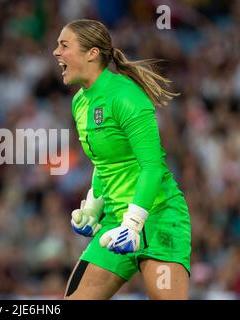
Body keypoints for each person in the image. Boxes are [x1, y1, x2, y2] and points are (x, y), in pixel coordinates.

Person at [52, 19, 191, 300]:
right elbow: (104, 164)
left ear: (92, 53)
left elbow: (151, 168)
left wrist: (134, 223)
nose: (56, 52)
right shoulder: (80, 102)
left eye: (64, 45)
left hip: (158, 217)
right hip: (117, 221)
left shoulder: (126, 98)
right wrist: (93, 207)